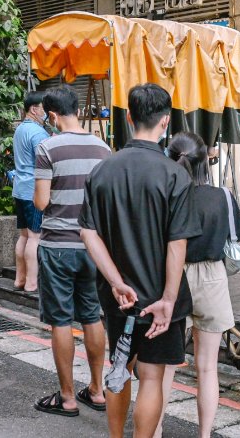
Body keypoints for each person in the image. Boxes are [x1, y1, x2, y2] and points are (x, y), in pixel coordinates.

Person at [79, 83, 201, 438]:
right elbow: (177, 244)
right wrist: (168, 299)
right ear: (165, 122)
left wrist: (117, 282)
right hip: (160, 300)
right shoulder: (174, 174)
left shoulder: (102, 171)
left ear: (129, 117)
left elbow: (89, 234)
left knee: (119, 368)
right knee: (151, 376)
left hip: (120, 298)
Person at [156, 132, 240, 438]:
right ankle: (205, 435)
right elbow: (239, 238)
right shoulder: (222, 196)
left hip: (172, 278)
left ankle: (153, 429)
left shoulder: (165, 196)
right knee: (207, 368)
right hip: (212, 277)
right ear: (205, 162)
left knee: (164, 366)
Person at [31, 85, 111, 417]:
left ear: (51, 115)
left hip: (57, 246)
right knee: (92, 315)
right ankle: (96, 389)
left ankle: (66, 396)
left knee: (60, 320)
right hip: (93, 248)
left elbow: (41, 201)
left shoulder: (47, 147)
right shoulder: (104, 148)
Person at [12, 92, 49, 292]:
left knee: (24, 236)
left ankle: (20, 279)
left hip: (19, 188)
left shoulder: (20, 130)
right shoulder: (38, 133)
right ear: (34, 109)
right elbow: (43, 161)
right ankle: (32, 283)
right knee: (35, 237)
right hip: (33, 190)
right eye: (44, 108)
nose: (46, 113)